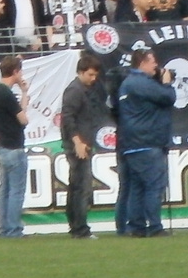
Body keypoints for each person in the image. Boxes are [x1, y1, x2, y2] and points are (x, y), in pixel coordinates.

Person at [117, 48, 176, 237]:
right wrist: (166, 84)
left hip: (131, 143)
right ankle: (155, 227)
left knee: (137, 187)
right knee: (153, 185)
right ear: (142, 63)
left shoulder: (127, 83)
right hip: (148, 141)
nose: (156, 66)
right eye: (153, 62)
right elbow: (168, 97)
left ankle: (136, 226)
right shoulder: (141, 82)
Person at [59, 53, 110, 239]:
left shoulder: (84, 89)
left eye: (95, 75)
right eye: (90, 74)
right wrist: (77, 141)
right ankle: (80, 229)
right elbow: (68, 118)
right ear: (80, 72)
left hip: (82, 142)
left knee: (76, 186)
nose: (93, 78)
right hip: (77, 145)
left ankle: (75, 226)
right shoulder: (75, 91)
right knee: (82, 187)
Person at [0, 54, 30, 237]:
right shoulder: (6, 93)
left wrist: (23, 93)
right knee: (16, 192)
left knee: (4, 190)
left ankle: (4, 228)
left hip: (2, 147)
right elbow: (23, 119)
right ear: (15, 71)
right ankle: (13, 229)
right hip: (14, 147)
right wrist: (25, 94)